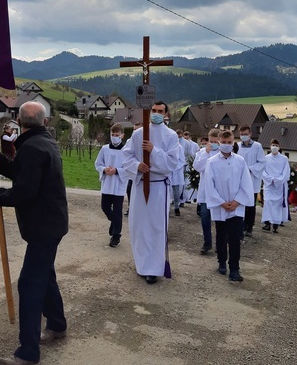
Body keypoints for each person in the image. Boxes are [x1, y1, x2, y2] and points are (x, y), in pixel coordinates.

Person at [0, 102, 69, 365]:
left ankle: (28, 353)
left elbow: (25, 191)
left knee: (29, 284)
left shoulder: (32, 147)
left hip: (44, 226)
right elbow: (24, 174)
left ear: (19, 123)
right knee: (45, 275)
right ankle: (56, 323)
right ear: (45, 123)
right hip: (50, 224)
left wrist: (0, 196)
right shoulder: (44, 143)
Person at [122, 101, 179, 285]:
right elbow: (126, 156)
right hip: (140, 185)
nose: (156, 113)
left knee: (156, 228)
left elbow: (171, 163)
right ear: (148, 111)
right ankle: (141, 265)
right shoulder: (138, 134)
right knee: (139, 227)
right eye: (153, 110)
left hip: (158, 187)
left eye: (160, 111)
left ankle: (153, 269)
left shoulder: (171, 136)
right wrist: (137, 165)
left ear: (166, 114)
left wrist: (154, 151)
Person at [201, 130, 255, 281]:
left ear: (233, 142)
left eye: (229, 142)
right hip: (220, 205)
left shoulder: (240, 161)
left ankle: (235, 269)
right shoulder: (212, 162)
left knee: (235, 237)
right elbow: (209, 186)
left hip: (236, 206)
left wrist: (237, 202)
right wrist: (222, 203)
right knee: (221, 234)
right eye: (224, 143)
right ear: (218, 142)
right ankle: (222, 262)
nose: (226, 145)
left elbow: (246, 183)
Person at [95, 123, 128, 247]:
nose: (114, 137)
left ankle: (116, 235)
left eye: (117, 135)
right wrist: (104, 170)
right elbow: (98, 163)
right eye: (112, 135)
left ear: (122, 136)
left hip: (119, 184)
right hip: (107, 183)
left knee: (117, 211)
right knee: (105, 207)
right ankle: (114, 222)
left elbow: (129, 167)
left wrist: (117, 171)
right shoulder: (104, 149)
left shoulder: (126, 151)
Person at [193, 128, 221, 255]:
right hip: (205, 191)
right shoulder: (202, 152)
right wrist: (206, 153)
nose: (213, 143)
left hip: (220, 191)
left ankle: (220, 244)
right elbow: (198, 167)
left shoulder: (223, 153)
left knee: (220, 219)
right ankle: (207, 242)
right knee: (205, 217)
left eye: (216, 141)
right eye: (211, 141)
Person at [236, 125, 265, 237]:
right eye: (242, 134)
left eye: (245, 134)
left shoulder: (257, 146)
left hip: (252, 179)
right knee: (240, 202)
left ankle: (249, 227)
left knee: (251, 204)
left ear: (250, 134)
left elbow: (262, 162)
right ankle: (241, 225)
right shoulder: (238, 146)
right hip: (239, 179)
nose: (243, 136)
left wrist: (250, 169)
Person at [261, 139, 290, 233]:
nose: (274, 147)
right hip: (269, 185)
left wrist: (278, 180)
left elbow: (286, 172)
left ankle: (276, 224)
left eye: (276, 145)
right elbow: (262, 171)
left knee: (277, 205)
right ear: (270, 146)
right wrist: (270, 179)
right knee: (268, 202)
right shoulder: (265, 158)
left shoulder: (284, 159)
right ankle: (267, 223)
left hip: (279, 186)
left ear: (279, 147)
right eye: (273, 145)